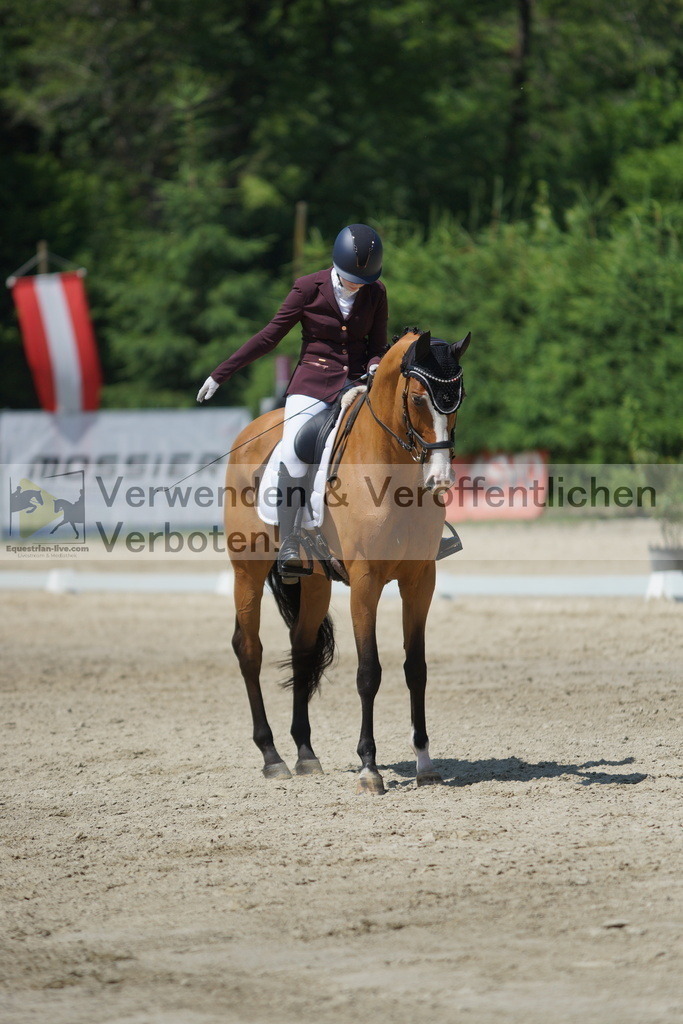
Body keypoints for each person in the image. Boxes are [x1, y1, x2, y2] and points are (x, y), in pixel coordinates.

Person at [197, 223, 388, 576]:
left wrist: (376, 366)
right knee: (294, 452)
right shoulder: (307, 288)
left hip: (359, 382)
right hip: (313, 383)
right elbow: (270, 337)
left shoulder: (376, 292)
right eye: (351, 279)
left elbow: (377, 345)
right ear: (336, 265)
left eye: (363, 281)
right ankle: (289, 541)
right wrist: (221, 373)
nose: (357, 286)